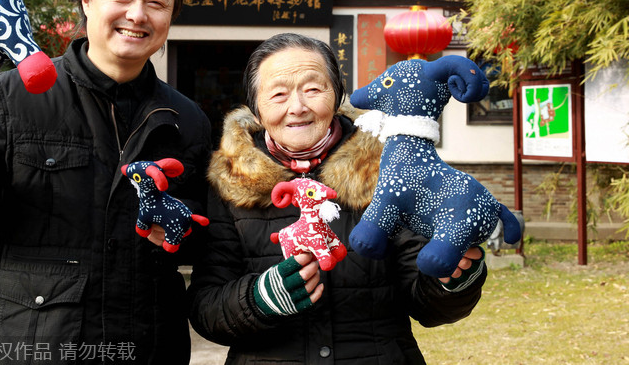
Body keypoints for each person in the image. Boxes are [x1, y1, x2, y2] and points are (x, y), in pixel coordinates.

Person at [0, 0, 212, 364]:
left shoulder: (187, 120)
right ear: (87, 0)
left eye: (156, 3)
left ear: (171, 16)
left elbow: (201, 239)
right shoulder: (11, 96)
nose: (136, 15)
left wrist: (181, 232)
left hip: (148, 348)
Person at [187, 33, 486, 364]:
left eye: (313, 89)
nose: (297, 107)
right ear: (256, 109)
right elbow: (205, 306)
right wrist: (260, 298)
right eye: (278, 94)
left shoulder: (387, 171)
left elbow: (428, 307)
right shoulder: (231, 183)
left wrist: (452, 277)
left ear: (338, 95)